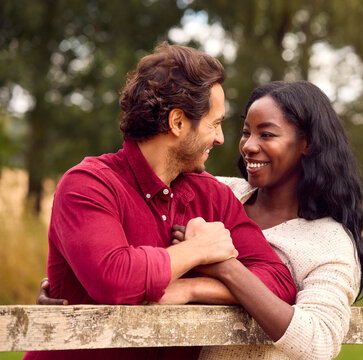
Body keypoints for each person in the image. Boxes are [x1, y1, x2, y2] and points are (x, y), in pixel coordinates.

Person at [38, 80, 363, 359]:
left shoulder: (327, 241)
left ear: (307, 145)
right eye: (246, 132)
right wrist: (78, 283)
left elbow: (317, 339)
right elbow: (122, 240)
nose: (247, 145)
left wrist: (208, 276)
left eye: (266, 135)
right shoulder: (219, 191)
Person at [25, 43, 296, 360]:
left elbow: (278, 283)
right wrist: (198, 251)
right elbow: (115, 280)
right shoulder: (87, 185)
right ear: (178, 122)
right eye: (214, 123)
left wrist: (195, 288)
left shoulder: (213, 196)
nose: (221, 138)